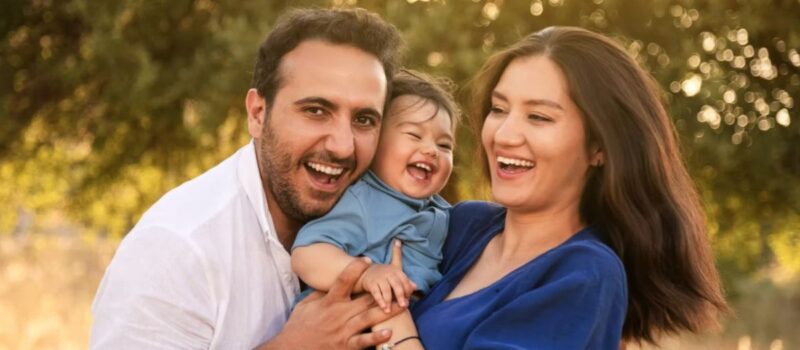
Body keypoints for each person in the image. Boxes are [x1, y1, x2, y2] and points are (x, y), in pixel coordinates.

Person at [381, 26, 729, 349]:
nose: (503, 135)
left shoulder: (585, 274)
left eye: (539, 117)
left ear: (599, 147)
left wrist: (393, 323)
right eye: (499, 109)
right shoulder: (462, 225)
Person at [90, 7, 407, 349]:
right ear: (257, 114)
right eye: (316, 111)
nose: (343, 147)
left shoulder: (391, 225)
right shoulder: (176, 249)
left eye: (363, 120)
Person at [291, 70, 460, 312]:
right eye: (414, 135)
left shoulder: (440, 210)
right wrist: (365, 275)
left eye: (444, 145)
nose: (431, 150)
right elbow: (307, 254)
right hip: (338, 324)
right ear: (376, 144)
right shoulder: (365, 200)